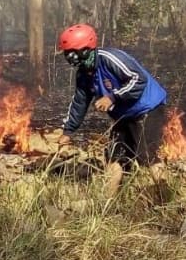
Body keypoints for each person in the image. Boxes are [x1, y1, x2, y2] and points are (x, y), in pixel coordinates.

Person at [56, 23, 167, 171]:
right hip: (124, 116)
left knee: (146, 155)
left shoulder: (110, 58)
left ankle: (163, 191)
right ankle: (111, 195)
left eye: (72, 52)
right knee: (115, 159)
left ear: (86, 49)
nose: (70, 58)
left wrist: (112, 98)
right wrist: (68, 131)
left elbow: (138, 79)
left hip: (148, 108)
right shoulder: (82, 73)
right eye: (67, 54)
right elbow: (79, 102)